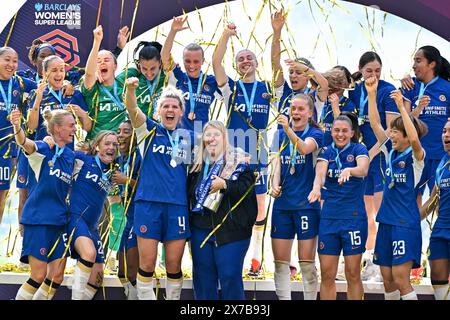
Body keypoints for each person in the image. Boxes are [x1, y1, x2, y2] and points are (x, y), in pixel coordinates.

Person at [124, 78, 193, 300]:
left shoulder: (189, 139)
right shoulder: (149, 131)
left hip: (177, 207)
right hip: (148, 205)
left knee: (173, 264)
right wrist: (131, 89)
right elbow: (132, 108)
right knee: (147, 263)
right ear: (158, 111)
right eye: (166, 106)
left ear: (181, 112)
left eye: (175, 106)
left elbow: (217, 147)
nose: (170, 110)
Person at [213, 22, 272, 276]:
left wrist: (277, 32)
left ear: (257, 63)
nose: (245, 61)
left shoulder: (267, 89)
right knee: (229, 204)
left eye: (249, 58)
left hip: (259, 156)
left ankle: (256, 259)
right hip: (234, 158)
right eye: (240, 59)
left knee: (259, 210)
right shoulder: (231, 89)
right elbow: (216, 63)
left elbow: (280, 68)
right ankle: (229, 260)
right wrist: (226, 35)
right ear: (236, 65)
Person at [366, 76, 428, 300]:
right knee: (388, 280)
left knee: (401, 279)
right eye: (391, 131)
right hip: (386, 223)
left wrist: (402, 107)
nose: (390, 135)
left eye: (394, 132)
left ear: (405, 136)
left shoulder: (417, 158)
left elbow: (414, 139)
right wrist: (372, 95)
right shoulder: (389, 152)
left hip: (405, 224)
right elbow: (374, 124)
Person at [187, 120, 257, 300]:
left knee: (230, 278)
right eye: (208, 134)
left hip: (231, 232)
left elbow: (246, 189)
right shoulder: (195, 165)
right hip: (200, 231)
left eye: (216, 134)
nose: (212, 138)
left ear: (225, 138)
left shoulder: (239, 161)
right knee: (203, 280)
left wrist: (225, 184)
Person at [12, 108, 77, 300]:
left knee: (56, 276)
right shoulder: (43, 149)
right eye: (71, 125)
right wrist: (17, 125)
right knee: (38, 276)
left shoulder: (70, 156)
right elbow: (24, 142)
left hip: (59, 222)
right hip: (38, 221)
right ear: (57, 129)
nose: (75, 129)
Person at [308, 112, 369, 300]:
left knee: (352, 274)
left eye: (344, 131)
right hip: (329, 219)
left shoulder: (359, 149)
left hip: (353, 219)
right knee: (326, 274)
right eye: (336, 130)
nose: (340, 134)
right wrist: (316, 188)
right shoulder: (326, 151)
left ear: (352, 133)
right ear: (331, 132)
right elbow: (320, 173)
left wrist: (349, 170)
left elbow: (363, 169)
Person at [349, 51, 399, 280]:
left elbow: (390, 131)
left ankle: (382, 262)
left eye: (377, 71)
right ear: (360, 70)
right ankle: (369, 259)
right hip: (361, 159)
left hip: (379, 159)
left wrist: (368, 155)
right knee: (365, 213)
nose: (373, 75)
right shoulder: (355, 91)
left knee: (380, 212)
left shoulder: (387, 90)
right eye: (369, 71)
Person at [270, 94, 324, 300]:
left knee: (306, 264)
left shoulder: (316, 134)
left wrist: (288, 130)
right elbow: (277, 162)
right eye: (293, 108)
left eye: (301, 109)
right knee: (280, 263)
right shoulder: (280, 134)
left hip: (306, 206)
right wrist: (274, 185)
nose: (296, 112)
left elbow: (303, 147)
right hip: (283, 205)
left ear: (310, 113)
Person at [68, 131, 119, 300]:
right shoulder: (82, 159)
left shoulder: (115, 171)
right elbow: (60, 151)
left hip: (92, 226)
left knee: (97, 278)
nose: (111, 147)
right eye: (107, 143)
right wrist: (48, 140)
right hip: (76, 218)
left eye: (115, 144)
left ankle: (79, 291)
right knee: (88, 254)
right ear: (97, 146)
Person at [401, 46, 450, 204]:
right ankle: (414, 230)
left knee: (440, 203)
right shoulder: (410, 86)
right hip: (416, 156)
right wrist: (418, 109)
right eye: (414, 61)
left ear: (432, 64)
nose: (414, 65)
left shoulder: (447, 88)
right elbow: (403, 123)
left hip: (440, 156)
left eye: (418, 60)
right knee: (411, 202)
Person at [161, 16, 220, 133]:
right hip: (177, 137)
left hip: (201, 139)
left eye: (196, 61)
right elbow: (164, 56)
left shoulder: (211, 81)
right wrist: (173, 31)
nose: (191, 65)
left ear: (203, 61)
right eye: (187, 61)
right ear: (183, 60)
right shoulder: (178, 77)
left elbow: (232, 94)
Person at [271, 10, 329, 126]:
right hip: (282, 143)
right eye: (291, 72)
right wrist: (277, 32)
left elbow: (324, 85)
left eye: (298, 72)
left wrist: (306, 69)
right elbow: (275, 63)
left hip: (307, 143)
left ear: (308, 77)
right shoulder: (283, 93)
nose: (293, 75)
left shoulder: (314, 97)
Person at [0, 47, 35, 224]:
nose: (11, 64)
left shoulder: (22, 83)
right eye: (7, 60)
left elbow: (48, 86)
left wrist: (67, 85)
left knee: (1, 198)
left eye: (15, 61)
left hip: (6, 151)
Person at [27, 55, 91, 148]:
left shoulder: (74, 93)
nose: (59, 74)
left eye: (62, 70)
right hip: (44, 151)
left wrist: (82, 114)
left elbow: (87, 128)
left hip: (66, 154)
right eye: (54, 70)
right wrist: (38, 99)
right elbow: (31, 127)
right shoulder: (35, 93)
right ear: (44, 72)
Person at [421, 119, 450, 300]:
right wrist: (410, 221)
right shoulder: (442, 164)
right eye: (444, 131)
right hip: (440, 231)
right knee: (437, 278)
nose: (446, 135)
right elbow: (433, 200)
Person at [112, 120, 142, 300]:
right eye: (119, 131)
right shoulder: (121, 158)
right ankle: (132, 295)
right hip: (129, 218)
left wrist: (127, 181)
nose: (120, 134)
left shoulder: (140, 155)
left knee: (132, 272)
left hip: (141, 218)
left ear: (136, 135)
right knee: (121, 272)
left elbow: (150, 188)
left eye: (126, 131)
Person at [81, 25, 126, 140]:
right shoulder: (92, 87)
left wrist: (120, 47)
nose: (102, 63)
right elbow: (89, 74)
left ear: (115, 66)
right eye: (98, 61)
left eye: (106, 60)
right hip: (97, 144)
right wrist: (97, 42)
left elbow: (143, 64)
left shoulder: (123, 82)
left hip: (121, 143)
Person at [116, 41, 166, 119]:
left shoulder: (167, 77)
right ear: (139, 65)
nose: (149, 73)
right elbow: (114, 84)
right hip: (139, 128)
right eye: (144, 68)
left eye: (153, 68)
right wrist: (134, 68)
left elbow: (167, 56)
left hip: (162, 128)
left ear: (160, 63)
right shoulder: (135, 79)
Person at [320, 66, 357, 146]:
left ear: (348, 83)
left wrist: (336, 109)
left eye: (340, 81)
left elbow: (346, 131)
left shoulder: (349, 105)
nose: (336, 85)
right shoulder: (320, 100)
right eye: (333, 80)